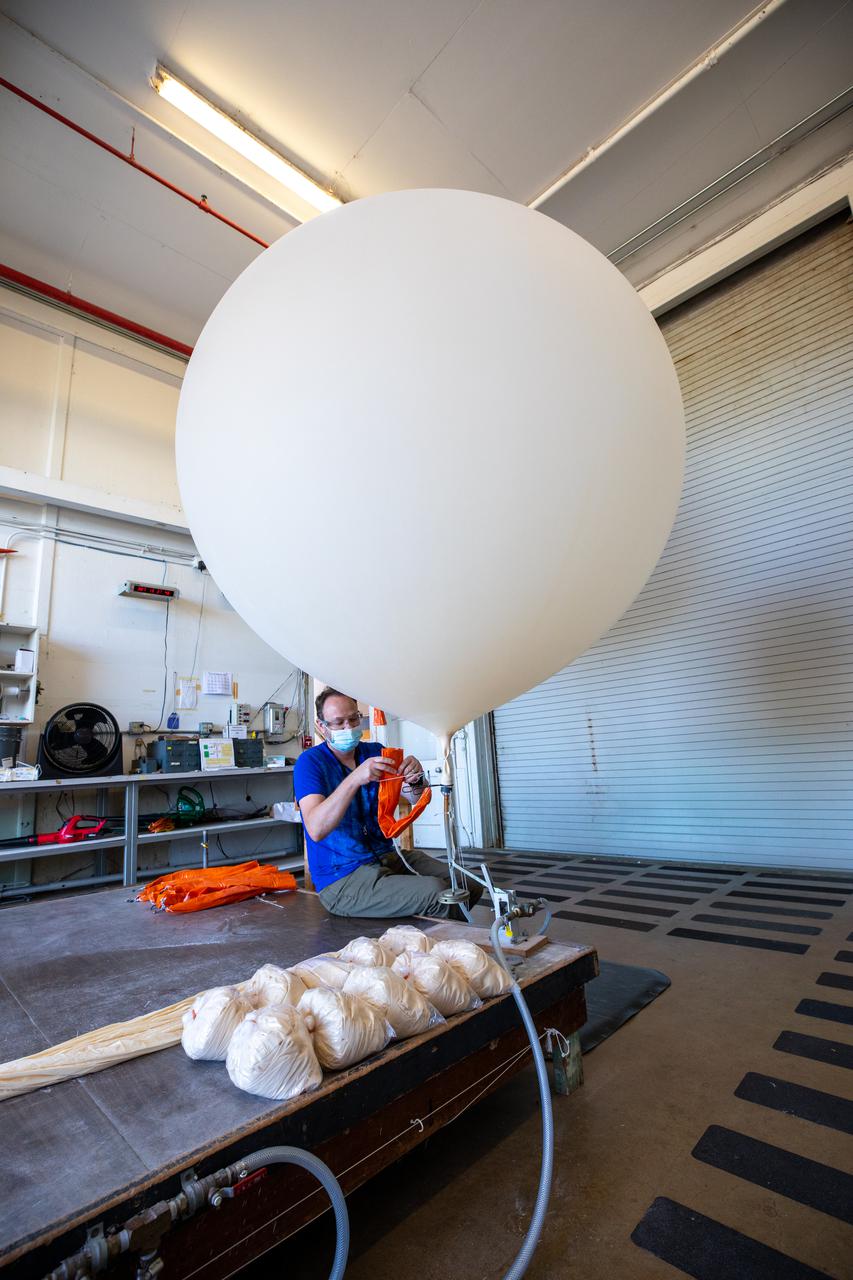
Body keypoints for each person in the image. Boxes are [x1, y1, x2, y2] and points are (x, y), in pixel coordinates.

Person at [294, 689, 481, 918]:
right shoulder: (310, 763)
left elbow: (413, 796)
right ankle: (434, 944)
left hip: (387, 857)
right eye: (338, 723)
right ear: (321, 727)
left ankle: (434, 935)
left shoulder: (375, 751)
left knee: (467, 881)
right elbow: (316, 828)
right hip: (342, 877)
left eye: (354, 719)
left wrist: (416, 777)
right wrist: (355, 779)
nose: (348, 728)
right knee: (436, 893)